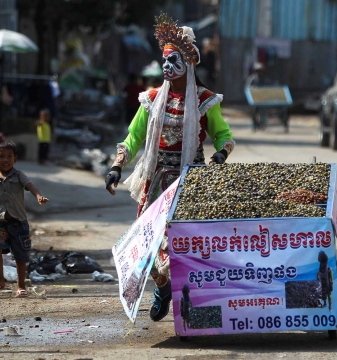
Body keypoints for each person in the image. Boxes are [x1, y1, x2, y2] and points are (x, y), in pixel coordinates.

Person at [104, 13, 235, 322]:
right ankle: (162, 286)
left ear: (188, 63)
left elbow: (224, 135)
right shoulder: (151, 99)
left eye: (174, 60)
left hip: (192, 180)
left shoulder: (204, 100)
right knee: (145, 244)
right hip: (158, 178)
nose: (167, 66)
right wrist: (116, 166)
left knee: (187, 245)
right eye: (164, 59)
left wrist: (221, 154)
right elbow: (134, 137)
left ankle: (197, 306)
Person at [0, 140, 49, 298]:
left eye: (9, 156)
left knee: (20, 256)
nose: (6, 160)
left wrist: (39, 196)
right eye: (1, 156)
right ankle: (0, 280)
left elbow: (31, 186)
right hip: (0, 224)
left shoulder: (19, 175)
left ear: (15, 159)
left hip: (19, 223)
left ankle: (21, 286)